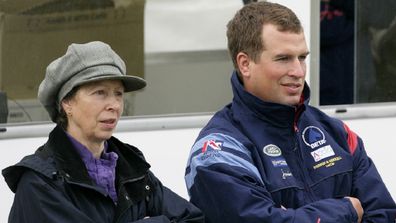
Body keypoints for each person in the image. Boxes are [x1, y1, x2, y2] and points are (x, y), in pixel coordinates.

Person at [184, 2, 396, 223]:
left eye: (302, 57)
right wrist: (346, 209)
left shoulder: (337, 134)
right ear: (245, 64)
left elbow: (384, 215)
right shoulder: (219, 150)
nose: (298, 71)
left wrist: (291, 215)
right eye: (283, 59)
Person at [2, 41, 204, 223]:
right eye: (100, 93)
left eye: (118, 94)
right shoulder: (39, 184)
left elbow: (193, 219)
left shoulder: (132, 170)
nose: (114, 105)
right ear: (67, 103)